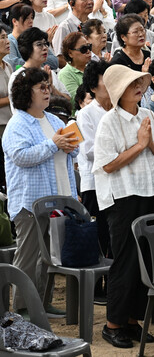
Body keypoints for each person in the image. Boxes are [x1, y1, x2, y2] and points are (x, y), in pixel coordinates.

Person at [94, 65, 154, 348]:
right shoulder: (109, 121)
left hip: (150, 192)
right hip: (122, 197)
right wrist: (139, 146)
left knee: (148, 259)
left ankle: (132, 321)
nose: (138, 88)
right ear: (119, 92)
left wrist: (149, 143)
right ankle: (113, 323)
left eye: (139, 83)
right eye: (131, 86)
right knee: (126, 260)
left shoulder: (149, 115)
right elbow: (107, 164)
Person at [5, 67, 78, 314]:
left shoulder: (53, 119)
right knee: (27, 258)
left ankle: (41, 303)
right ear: (27, 93)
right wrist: (53, 144)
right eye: (41, 88)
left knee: (46, 258)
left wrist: (69, 147)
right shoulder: (17, 124)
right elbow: (20, 156)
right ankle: (23, 309)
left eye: (48, 87)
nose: (48, 91)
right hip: (30, 202)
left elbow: (71, 151)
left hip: (56, 199)